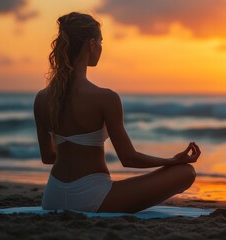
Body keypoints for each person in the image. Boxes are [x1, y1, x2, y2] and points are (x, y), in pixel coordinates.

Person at [34, 12, 201, 213]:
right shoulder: (106, 98)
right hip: (93, 198)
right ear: (92, 44)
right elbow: (129, 158)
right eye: (101, 42)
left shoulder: (43, 98)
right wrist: (174, 161)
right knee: (185, 172)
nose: (102, 48)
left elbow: (48, 157)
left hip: (53, 197)